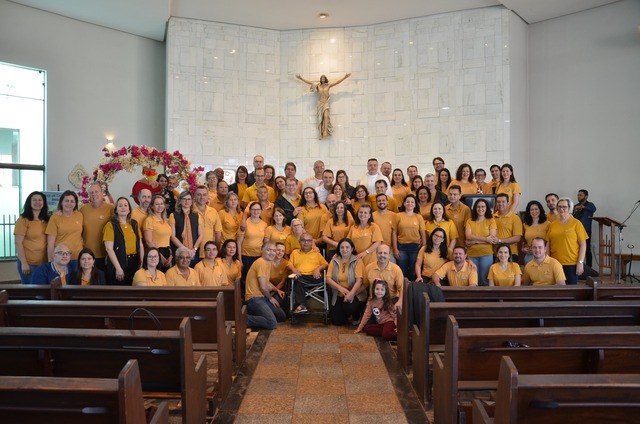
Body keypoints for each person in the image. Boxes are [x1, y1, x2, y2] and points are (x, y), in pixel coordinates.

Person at [295, 73, 351, 139]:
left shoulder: (328, 85)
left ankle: (325, 131)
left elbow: (337, 82)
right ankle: (320, 133)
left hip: (326, 103)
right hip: (320, 103)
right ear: (320, 79)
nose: (323, 79)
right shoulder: (318, 85)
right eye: (321, 78)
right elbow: (309, 82)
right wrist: (301, 78)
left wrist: (345, 77)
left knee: (326, 116)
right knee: (320, 118)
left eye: (324, 78)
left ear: (325, 79)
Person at [245, 241, 287, 329]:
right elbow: (264, 288)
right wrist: (271, 298)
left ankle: (259, 314)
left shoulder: (267, 263)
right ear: (262, 251)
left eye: (274, 250)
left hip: (262, 297)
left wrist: (277, 290)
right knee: (272, 323)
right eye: (269, 250)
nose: (272, 253)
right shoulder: (262, 263)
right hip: (254, 298)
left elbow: (267, 283)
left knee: (281, 316)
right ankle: (243, 319)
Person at [546, 197, 588, 285]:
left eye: (564, 207)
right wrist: (547, 261)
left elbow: (583, 244)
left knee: (570, 291)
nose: (561, 209)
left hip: (571, 264)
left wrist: (580, 263)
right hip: (555, 263)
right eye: (559, 207)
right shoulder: (552, 224)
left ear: (569, 208)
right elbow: (548, 244)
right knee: (555, 291)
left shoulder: (576, 223)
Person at [103, 196, 143, 285]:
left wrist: (142, 262)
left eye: (125, 205)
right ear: (116, 210)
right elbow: (109, 249)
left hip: (134, 262)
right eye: (120, 206)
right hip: (118, 262)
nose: (123, 207)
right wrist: (118, 268)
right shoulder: (111, 225)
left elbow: (140, 245)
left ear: (129, 209)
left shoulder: (134, 224)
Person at [326, 238, 366, 326]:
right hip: (339, 294)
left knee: (349, 308)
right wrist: (339, 288)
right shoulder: (334, 261)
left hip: (354, 293)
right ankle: (346, 315)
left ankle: (356, 316)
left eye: (347, 247)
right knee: (337, 322)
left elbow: (359, 280)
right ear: (339, 249)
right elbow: (328, 278)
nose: (345, 250)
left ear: (352, 249)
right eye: (342, 247)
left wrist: (351, 294)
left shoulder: (358, 261)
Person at [289, 232, 329, 314]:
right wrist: (294, 269)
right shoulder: (294, 253)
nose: (306, 242)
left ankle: (301, 304)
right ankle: (302, 305)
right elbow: (289, 264)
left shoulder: (316, 253)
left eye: (308, 240)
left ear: (312, 242)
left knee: (298, 280)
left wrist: (318, 269)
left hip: (315, 278)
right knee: (295, 279)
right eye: (303, 240)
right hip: (301, 277)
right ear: (299, 242)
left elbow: (325, 264)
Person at [14, 191, 49, 283]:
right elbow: (18, 243)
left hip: (44, 263)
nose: (37, 202)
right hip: (29, 263)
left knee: (43, 291)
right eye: (34, 200)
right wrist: (24, 263)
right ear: (29, 202)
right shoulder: (23, 220)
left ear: (44, 203)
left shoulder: (47, 220)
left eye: (40, 200)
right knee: (30, 291)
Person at [80, 182, 114, 270]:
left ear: (102, 192)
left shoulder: (111, 209)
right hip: (88, 256)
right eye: (91, 192)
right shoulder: (83, 209)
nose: (94, 194)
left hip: (106, 254)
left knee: (104, 282)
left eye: (96, 191)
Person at [393, 194, 426, 281]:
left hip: (415, 247)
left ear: (415, 204)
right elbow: (394, 233)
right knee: (401, 270)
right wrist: (395, 249)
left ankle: (412, 290)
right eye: (407, 202)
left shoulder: (418, 217)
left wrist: (424, 247)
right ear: (404, 203)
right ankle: (402, 290)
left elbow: (423, 233)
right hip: (402, 247)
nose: (409, 204)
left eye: (412, 202)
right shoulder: (398, 216)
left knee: (413, 271)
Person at [465, 198, 497, 285]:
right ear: (475, 208)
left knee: (485, 279)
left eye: (483, 206)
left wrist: (475, 242)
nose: (480, 209)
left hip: (486, 254)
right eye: (478, 207)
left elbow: (492, 239)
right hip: (472, 254)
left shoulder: (491, 220)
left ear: (487, 208)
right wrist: (486, 239)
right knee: (474, 279)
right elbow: (468, 236)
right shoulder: (470, 221)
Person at [362, 244, 404, 312]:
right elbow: (364, 284)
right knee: (367, 321)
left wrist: (400, 302)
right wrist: (352, 294)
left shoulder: (396, 269)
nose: (382, 255)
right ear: (376, 254)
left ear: (389, 255)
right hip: (374, 301)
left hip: (391, 300)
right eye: (380, 253)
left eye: (385, 253)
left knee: (388, 321)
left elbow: (401, 288)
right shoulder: (368, 268)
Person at [45, 190, 83, 263]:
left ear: (75, 204)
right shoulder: (55, 217)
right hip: (61, 258)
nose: (69, 203)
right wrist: (51, 260)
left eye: (72, 201)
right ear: (61, 202)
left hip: (77, 257)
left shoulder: (79, 215)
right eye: (66, 201)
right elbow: (50, 243)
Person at [170, 191, 203, 267]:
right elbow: (172, 236)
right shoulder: (173, 215)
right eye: (184, 199)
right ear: (180, 201)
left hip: (194, 252)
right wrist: (185, 250)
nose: (186, 201)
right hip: (179, 251)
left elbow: (201, 235)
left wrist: (194, 249)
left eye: (189, 199)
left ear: (192, 201)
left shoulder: (197, 215)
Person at [237, 201, 268, 283]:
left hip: (259, 256)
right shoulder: (244, 223)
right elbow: (239, 242)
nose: (256, 211)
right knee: (246, 278)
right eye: (253, 209)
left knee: (257, 278)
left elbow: (265, 243)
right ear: (250, 211)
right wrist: (240, 260)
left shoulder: (264, 225)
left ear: (261, 211)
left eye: (258, 209)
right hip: (246, 256)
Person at [143, 195, 173, 272]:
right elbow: (148, 242)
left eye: (161, 203)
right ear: (152, 206)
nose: (160, 206)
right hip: (156, 252)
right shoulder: (149, 220)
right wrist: (159, 256)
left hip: (167, 251)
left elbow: (168, 239)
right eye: (157, 204)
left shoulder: (166, 221)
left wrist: (170, 255)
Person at [193, 185, 222, 260]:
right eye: (199, 195)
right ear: (195, 196)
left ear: (207, 196)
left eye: (204, 195)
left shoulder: (213, 211)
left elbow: (218, 232)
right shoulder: (190, 211)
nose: (202, 197)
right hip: (193, 252)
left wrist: (216, 249)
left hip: (210, 252)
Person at [493, 193, 523, 261]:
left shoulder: (515, 218)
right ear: (496, 203)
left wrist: (500, 241)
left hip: (511, 254)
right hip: (495, 254)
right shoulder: (492, 217)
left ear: (508, 203)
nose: (501, 204)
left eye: (503, 201)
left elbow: (517, 238)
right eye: (498, 202)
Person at [521, 200, 550, 265]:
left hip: (543, 256)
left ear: (540, 210)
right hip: (529, 256)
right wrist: (523, 249)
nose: (534, 211)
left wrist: (547, 255)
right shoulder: (525, 225)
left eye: (536, 209)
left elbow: (549, 241)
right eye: (531, 210)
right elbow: (523, 241)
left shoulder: (547, 224)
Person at [573, 189, 597, 267]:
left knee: (587, 250)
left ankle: (589, 267)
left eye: (581, 195)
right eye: (578, 195)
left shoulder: (590, 205)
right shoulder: (576, 206)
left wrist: (583, 207)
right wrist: (574, 210)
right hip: (575, 230)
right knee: (575, 249)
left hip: (586, 230)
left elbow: (594, 209)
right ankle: (577, 266)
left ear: (586, 196)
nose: (579, 197)